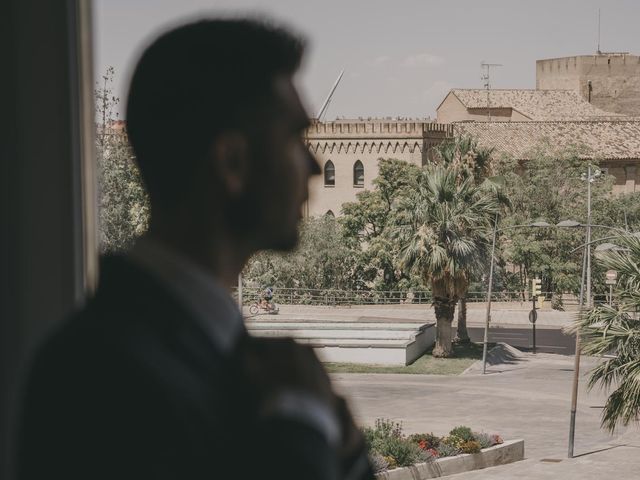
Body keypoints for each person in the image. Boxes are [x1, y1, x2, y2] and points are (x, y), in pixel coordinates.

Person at [17, 19, 373, 480]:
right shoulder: (96, 376)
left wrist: (342, 445)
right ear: (232, 163)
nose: (310, 165)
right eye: (293, 139)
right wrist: (303, 420)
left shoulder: (216, 349)